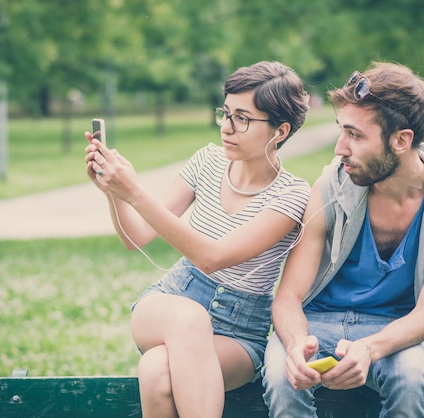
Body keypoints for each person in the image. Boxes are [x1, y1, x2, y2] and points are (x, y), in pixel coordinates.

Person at [84, 61, 310, 418]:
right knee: (187, 318)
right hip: (170, 302)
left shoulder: (292, 197)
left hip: (238, 332)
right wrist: (114, 192)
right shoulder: (206, 161)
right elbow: (136, 238)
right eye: (225, 112)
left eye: (242, 118)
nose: (227, 127)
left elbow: (214, 257)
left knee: (157, 370)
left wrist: (135, 192)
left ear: (279, 131)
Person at [262, 62, 424, 417]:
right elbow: (288, 297)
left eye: (355, 135)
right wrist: (294, 347)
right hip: (317, 321)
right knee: (281, 375)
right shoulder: (329, 187)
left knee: (412, 378)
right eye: (341, 131)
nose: (339, 148)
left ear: (401, 140)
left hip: (396, 328)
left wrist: (368, 348)